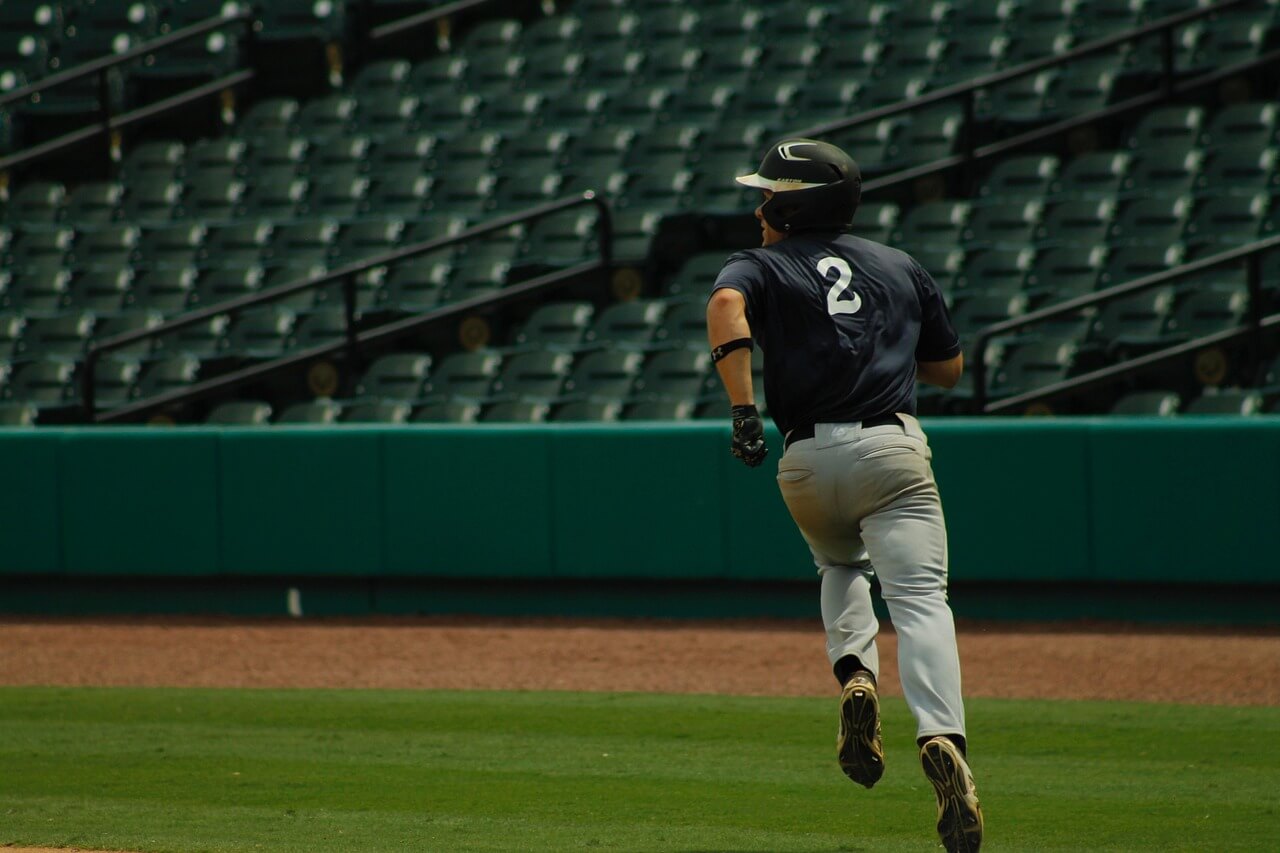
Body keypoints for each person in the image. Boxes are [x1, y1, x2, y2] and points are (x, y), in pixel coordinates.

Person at [704, 138, 983, 853]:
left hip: (806, 456)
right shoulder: (900, 264)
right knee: (920, 602)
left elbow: (727, 304)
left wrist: (742, 410)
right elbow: (949, 369)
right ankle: (942, 737)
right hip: (891, 450)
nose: (759, 208)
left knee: (838, 564)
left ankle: (857, 674)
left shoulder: (759, 264)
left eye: (769, 195)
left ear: (794, 207)